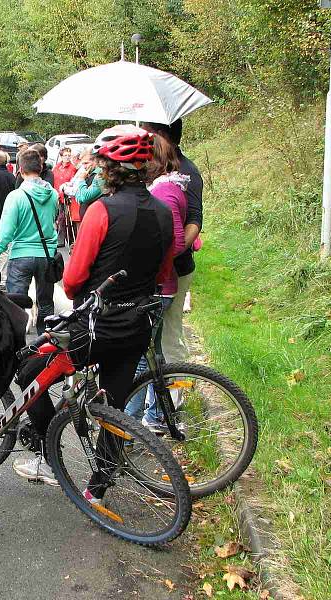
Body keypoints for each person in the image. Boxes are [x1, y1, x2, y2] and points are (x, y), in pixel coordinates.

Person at [24, 126, 173, 493]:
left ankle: (48, 452)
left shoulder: (101, 211)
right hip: (138, 324)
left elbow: (73, 280)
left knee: (28, 372)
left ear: (108, 167)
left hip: (96, 326)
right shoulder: (165, 212)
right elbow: (164, 272)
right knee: (115, 404)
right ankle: (99, 485)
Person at [122, 134, 189, 431]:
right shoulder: (170, 188)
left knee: (141, 357)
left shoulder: (163, 193)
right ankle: (157, 414)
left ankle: (129, 426)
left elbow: (172, 243)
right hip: (163, 285)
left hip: (158, 287)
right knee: (154, 353)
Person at [142, 120, 203, 366]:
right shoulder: (151, 167)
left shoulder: (186, 172)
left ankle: (174, 394)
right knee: (153, 339)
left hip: (175, 270)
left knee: (169, 336)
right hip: (157, 272)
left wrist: (173, 252)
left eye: (148, 132)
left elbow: (195, 219)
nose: (144, 137)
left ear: (162, 135)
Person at [0, 149, 58, 334]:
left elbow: (7, 231)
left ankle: (18, 349)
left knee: (15, 304)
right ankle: (45, 346)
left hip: (21, 256)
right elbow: (53, 220)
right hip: (47, 254)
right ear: (40, 168)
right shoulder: (54, 195)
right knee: (46, 304)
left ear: (20, 170)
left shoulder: (16, 197)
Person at [52, 146, 77, 247]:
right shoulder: (56, 167)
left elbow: (73, 182)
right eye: (65, 155)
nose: (67, 157)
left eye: (69, 155)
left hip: (67, 197)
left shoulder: (73, 168)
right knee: (59, 218)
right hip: (58, 196)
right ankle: (60, 238)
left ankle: (70, 239)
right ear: (61, 156)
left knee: (66, 218)